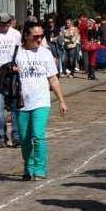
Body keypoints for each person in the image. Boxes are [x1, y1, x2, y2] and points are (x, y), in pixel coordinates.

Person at [13, 21, 67, 180]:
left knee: (38, 135)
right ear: (26, 35)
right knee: (24, 139)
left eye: (41, 36)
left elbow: (53, 79)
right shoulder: (17, 52)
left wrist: (62, 101)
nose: (39, 39)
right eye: (35, 36)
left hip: (41, 101)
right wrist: (11, 70)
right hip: (21, 102)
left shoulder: (46, 53)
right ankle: (28, 168)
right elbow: (7, 76)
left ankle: (40, 169)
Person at [0, 12, 22, 147]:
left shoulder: (16, 34)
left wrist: (17, 67)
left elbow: (20, 53)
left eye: (8, 22)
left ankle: (16, 137)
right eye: (3, 23)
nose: (6, 25)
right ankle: (1, 137)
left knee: (15, 108)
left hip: (13, 76)